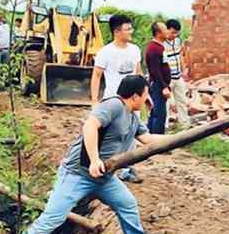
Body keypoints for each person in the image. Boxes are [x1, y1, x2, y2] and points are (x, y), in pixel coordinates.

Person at [28, 75, 169, 234]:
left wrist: (180, 138)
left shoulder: (132, 117)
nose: (147, 98)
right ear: (135, 96)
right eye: (145, 94)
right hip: (77, 174)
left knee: (127, 205)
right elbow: (90, 125)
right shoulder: (114, 105)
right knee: (52, 218)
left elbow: (147, 138)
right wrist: (95, 160)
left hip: (104, 178)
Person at [91, 14, 144, 183]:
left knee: (131, 136)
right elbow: (96, 76)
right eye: (128, 29)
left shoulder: (135, 50)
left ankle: (126, 169)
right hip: (114, 101)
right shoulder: (105, 52)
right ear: (117, 31)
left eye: (130, 28)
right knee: (114, 137)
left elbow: (138, 72)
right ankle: (106, 166)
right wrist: (94, 101)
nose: (131, 31)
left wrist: (145, 94)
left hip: (133, 101)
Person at [162, 19, 191, 128]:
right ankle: (165, 126)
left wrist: (184, 71)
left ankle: (184, 124)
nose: (175, 35)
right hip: (167, 78)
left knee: (182, 101)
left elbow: (180, 56)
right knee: (166, 103)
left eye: (177, 33)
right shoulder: (162, 43)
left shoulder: (178, 41)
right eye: (173, 32)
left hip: (178, 77)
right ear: (166, 30)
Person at [144, 22, 171, 134]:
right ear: (159, 33)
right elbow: (155, 71)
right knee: (159, 115)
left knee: (156, 113)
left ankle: (150, 139)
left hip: (159, 85)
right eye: (165, 29)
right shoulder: (154, 49)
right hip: (157, 86)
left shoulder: (159, 47)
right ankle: (158, 143)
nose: (168, 32)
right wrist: (164, 87)